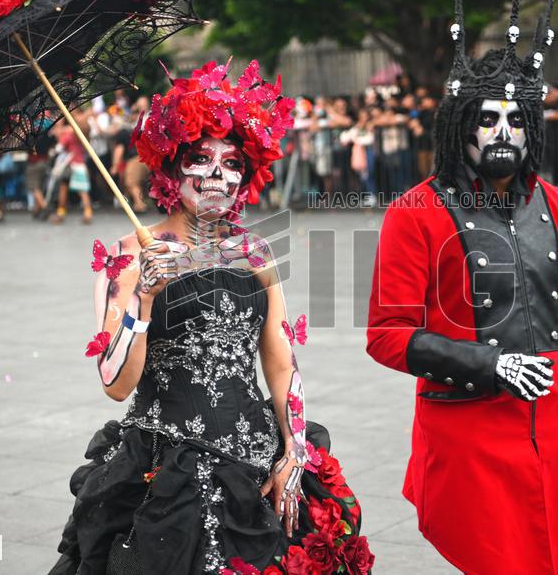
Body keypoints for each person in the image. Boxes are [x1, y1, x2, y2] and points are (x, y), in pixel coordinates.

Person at [366, 0, 558, 574]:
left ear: (532, 128)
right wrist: (492, 365)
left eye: (516, 120)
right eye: (487, 118)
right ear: (461, 125)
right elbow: (387, 334)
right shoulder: (414, 210)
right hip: (472, 434)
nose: (502, 132)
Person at [50, 61, 370, 575]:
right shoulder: (130, 255)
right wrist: (145, 300)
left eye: (232, 163)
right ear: (172, 168)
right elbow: (113, 383)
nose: (218, 176)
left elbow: (282, 363)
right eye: (201, 160)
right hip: (166, 466)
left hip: (257, 458)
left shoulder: (256, 252)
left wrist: (295, 450)